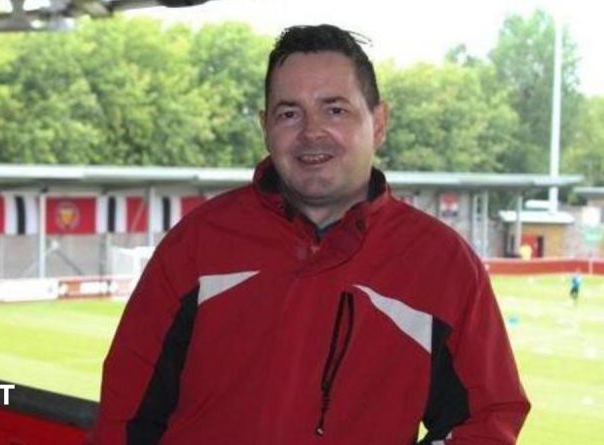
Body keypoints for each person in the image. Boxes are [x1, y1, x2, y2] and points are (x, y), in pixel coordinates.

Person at [89, 24, 529, 444]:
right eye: (289, 113)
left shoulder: (443, 264)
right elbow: (125, 413)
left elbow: (484, 421)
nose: (311, 132)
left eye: (335, 109)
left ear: (378, 122)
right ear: (266, 126)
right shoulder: (197, 245)